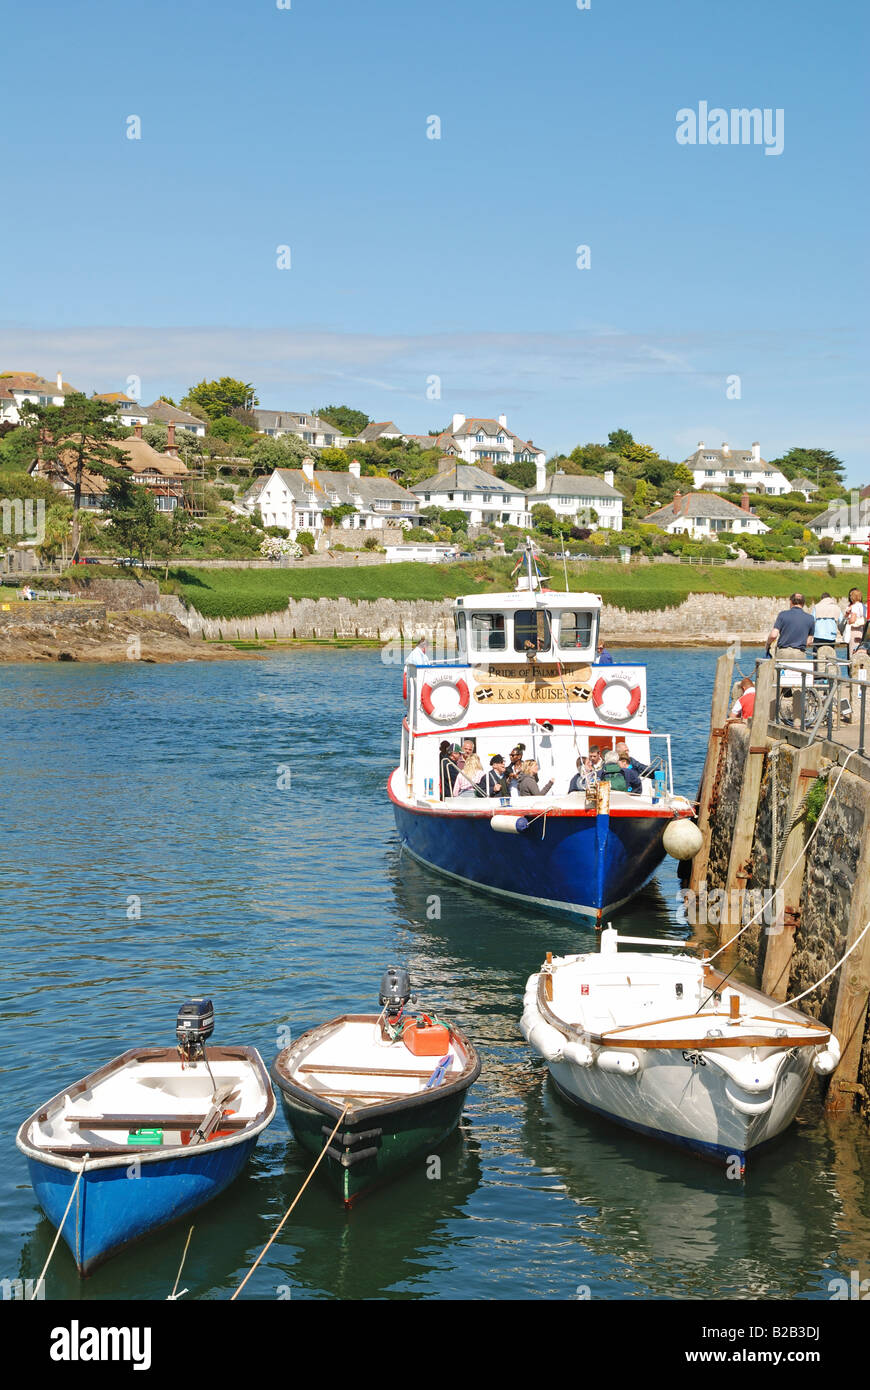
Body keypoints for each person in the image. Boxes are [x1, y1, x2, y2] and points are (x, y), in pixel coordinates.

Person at [767, 594, 814, 660]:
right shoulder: (810, 618)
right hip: (799, 653)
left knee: (781, 670)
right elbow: (809, 641)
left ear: (791, 602)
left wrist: (768, 644)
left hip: (783, 652)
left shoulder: (782, 615)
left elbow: (773, 635)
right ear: (803, 603)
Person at [812, 592, 841, 668]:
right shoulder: (836, 607)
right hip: (831, 636)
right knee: (830, 656)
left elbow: (812, 620)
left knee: (817, 656)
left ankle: (817, 675)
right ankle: (830, 675)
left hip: (818, 635)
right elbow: (841, 620)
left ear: (821, 599)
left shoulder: (817, 607)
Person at [844, 588, 866, 657]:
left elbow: (852, 620)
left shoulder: (854, 607)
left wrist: (848, 619)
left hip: (854, 631)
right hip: (862, 631)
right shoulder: (863, 606)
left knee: (853, 652)